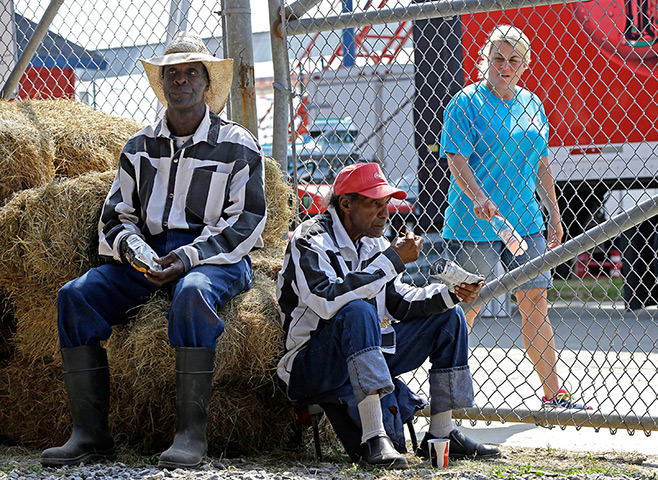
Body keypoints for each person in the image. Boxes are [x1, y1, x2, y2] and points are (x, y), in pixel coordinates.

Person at [40, 32, 267, 468]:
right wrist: (139, 255)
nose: (181, 81)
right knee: (75, 296)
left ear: (206, 84)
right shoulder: (138, 146)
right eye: (172, 74)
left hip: (215, 258)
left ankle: (190, 436)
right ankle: (90, 435)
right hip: (149, 255)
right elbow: (114, 216)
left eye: (191, 73)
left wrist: (187, 259)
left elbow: (248, 220)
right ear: (163, 84)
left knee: (192, 292)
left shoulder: (238, 144)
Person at [276, 162, 500, 469]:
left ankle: (441, 433)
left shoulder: (375, 241)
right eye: (374, 204)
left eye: (386, 204)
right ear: (346, 204)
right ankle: (374, 437)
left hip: (365, 351)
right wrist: (391, 259)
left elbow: (398, 301)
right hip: (313, 363)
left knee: (450, 317)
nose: (384, 213)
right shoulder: (310, 239)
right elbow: (327, 301)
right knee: (357, 310)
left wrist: (450, 294)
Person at [440, 25, 590, 410]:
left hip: (525, 222)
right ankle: (446, 396)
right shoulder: (465, 103)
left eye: (513, 60)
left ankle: (554, 395)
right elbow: (455, 157)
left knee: (535, 302)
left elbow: (541, 163)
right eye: (498, 59)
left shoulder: (531, 103)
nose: (504, 67)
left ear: (523, 65)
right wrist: (478, 195)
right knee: (466, 309)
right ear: (485, 60)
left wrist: (554, 212)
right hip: (475, 223)